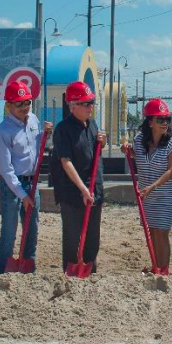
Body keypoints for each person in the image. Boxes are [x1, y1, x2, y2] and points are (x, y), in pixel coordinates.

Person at [0, 81, 51, 273]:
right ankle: (3, 271)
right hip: (12, 186)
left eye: (27, 102)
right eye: (19, 104)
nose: (24, 107)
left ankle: (29, 268)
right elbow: (6, 169)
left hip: (32, 181)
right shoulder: (3, 131)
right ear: (8, 105)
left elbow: (39, 145)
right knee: (9, 230)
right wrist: (22, 194)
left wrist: (47, 134)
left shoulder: (33, 120)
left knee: (32, 229)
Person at [123, 98, 172, 276]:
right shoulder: (140, 140)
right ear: (150, 122)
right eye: (160, 119)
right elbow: (136, 155)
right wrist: (127, 150)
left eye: (167, 119)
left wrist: (152, 186)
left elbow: (171, 171)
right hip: (146, 195)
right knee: (151, 231)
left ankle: (163, 270)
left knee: (161, 232)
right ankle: (155, 265)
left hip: (165, 196)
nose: (165, 123)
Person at [53, 81, 106, 272]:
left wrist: (103, 142)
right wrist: (83, 189)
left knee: (93, 239)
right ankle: (71, 273)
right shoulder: (63, 129)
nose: (90, 107)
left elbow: (94, 153)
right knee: (73, 238)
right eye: (85, 103)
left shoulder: (92, 124)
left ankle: (90, 271)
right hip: (73, 193)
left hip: (95, 190)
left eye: (91, 102)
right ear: (72, 105)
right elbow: (65, 161)